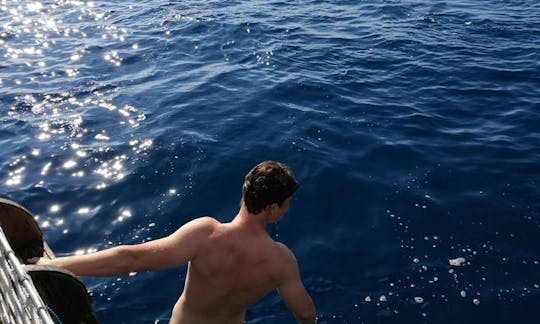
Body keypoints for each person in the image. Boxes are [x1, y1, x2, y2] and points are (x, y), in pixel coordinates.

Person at [32, 161, 317, 324]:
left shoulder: (207, 235)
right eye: (288, 203)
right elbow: (305, 313)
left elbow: (132, 259)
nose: (288, 208)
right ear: (273, 209)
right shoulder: (282, 261)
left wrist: (54, 265)